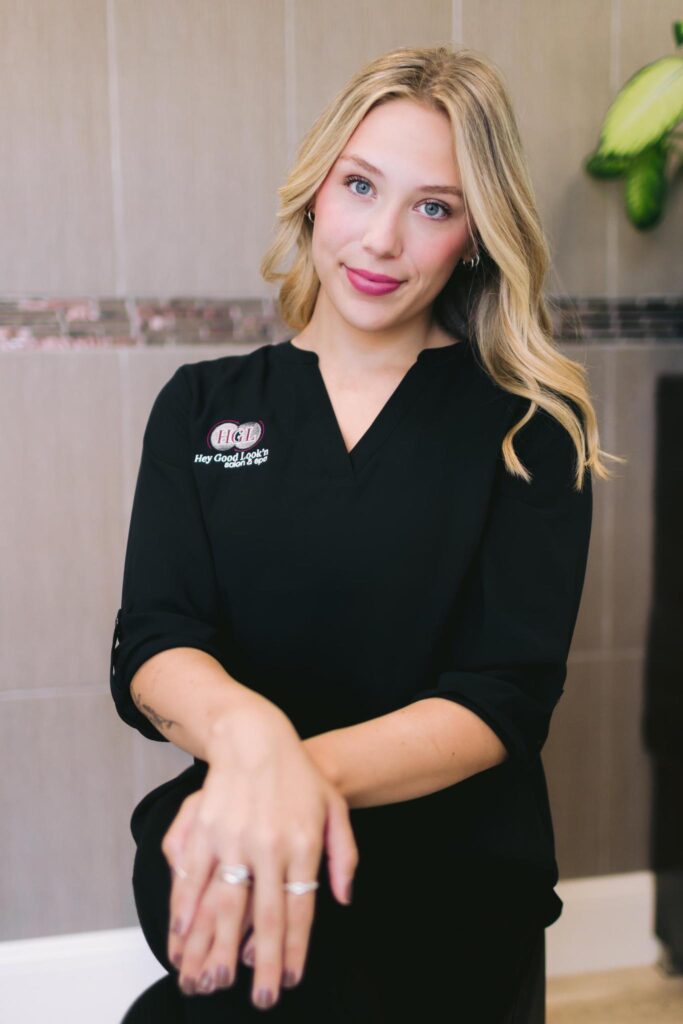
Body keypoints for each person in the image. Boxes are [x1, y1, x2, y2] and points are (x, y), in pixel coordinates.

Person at [110, 45, 618, 1022]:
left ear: (475, 236)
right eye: (359, 186)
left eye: (433, 206)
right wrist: (249, 735)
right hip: (234, 862)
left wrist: (280, 782)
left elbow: (501, 696)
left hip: (452, 891)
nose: (381, 239)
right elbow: (155, 640)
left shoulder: (529, 428)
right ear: (314, 192)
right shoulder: (200, 406)